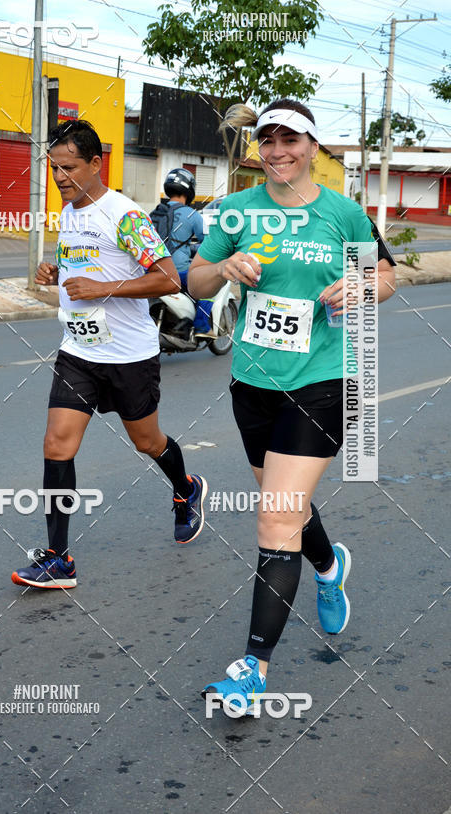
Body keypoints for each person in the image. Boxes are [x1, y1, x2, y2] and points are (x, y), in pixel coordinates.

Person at [186, 98, 396, 713]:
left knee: (276, 518)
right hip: (253, 382)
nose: (278, 152)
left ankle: (252, 670)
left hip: (325, 380)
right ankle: (329, 568)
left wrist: (361, 284)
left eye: (291, 141)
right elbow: (193, 279)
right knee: (286, 506)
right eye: (268, 141)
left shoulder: (343, 213)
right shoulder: (237, 209)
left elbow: (386, 276)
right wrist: (223, 265)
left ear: (311, 146)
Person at [11, 120, 207, 590]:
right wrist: (57, 271)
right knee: (57, 444)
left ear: (97, 164)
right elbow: (89, 262)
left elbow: (168, 279)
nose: (59, 177)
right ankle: (58, 558)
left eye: (69, 168)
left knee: (147, 442)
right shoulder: (70, 210)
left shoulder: (125, 215)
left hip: (129, 357)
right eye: (53, 167)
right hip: (79, 350)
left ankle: (186, 488)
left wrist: (103, 288)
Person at [162, 168, 214, 337]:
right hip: (178, 272)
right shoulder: (192, 214)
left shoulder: (154, 213)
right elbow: (209, 245)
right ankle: (201, 327)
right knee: (209, 288)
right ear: (189, 189)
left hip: (152, 272)